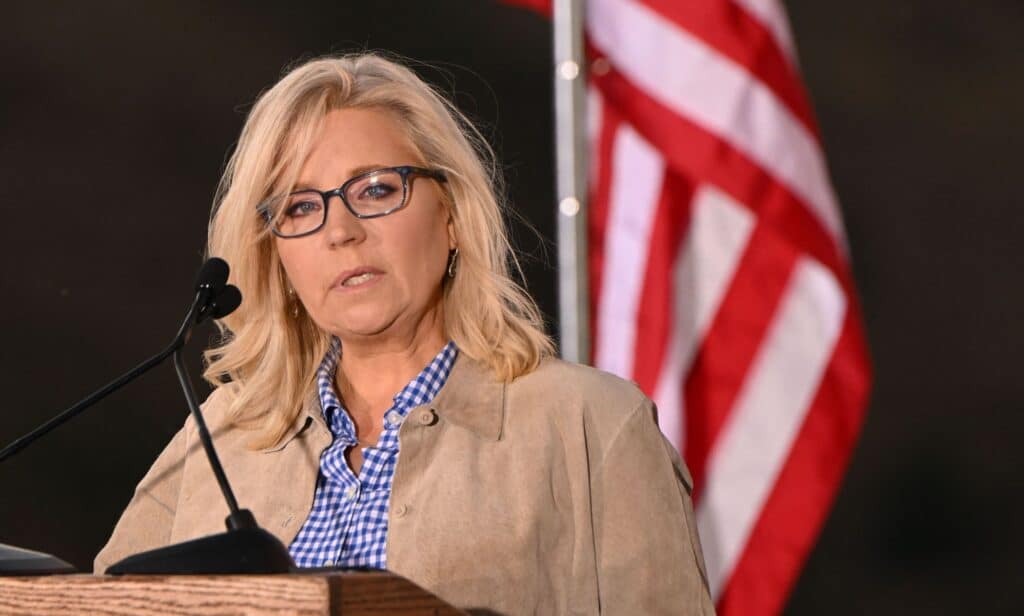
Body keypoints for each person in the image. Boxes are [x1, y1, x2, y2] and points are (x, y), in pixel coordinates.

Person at [95, 53, 715, 615]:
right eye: (301, 207)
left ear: (451, 216)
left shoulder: (591, 425)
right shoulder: (223, 433)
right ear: (277, 258)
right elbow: (92, 603)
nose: (340, 231)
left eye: (375, 189)